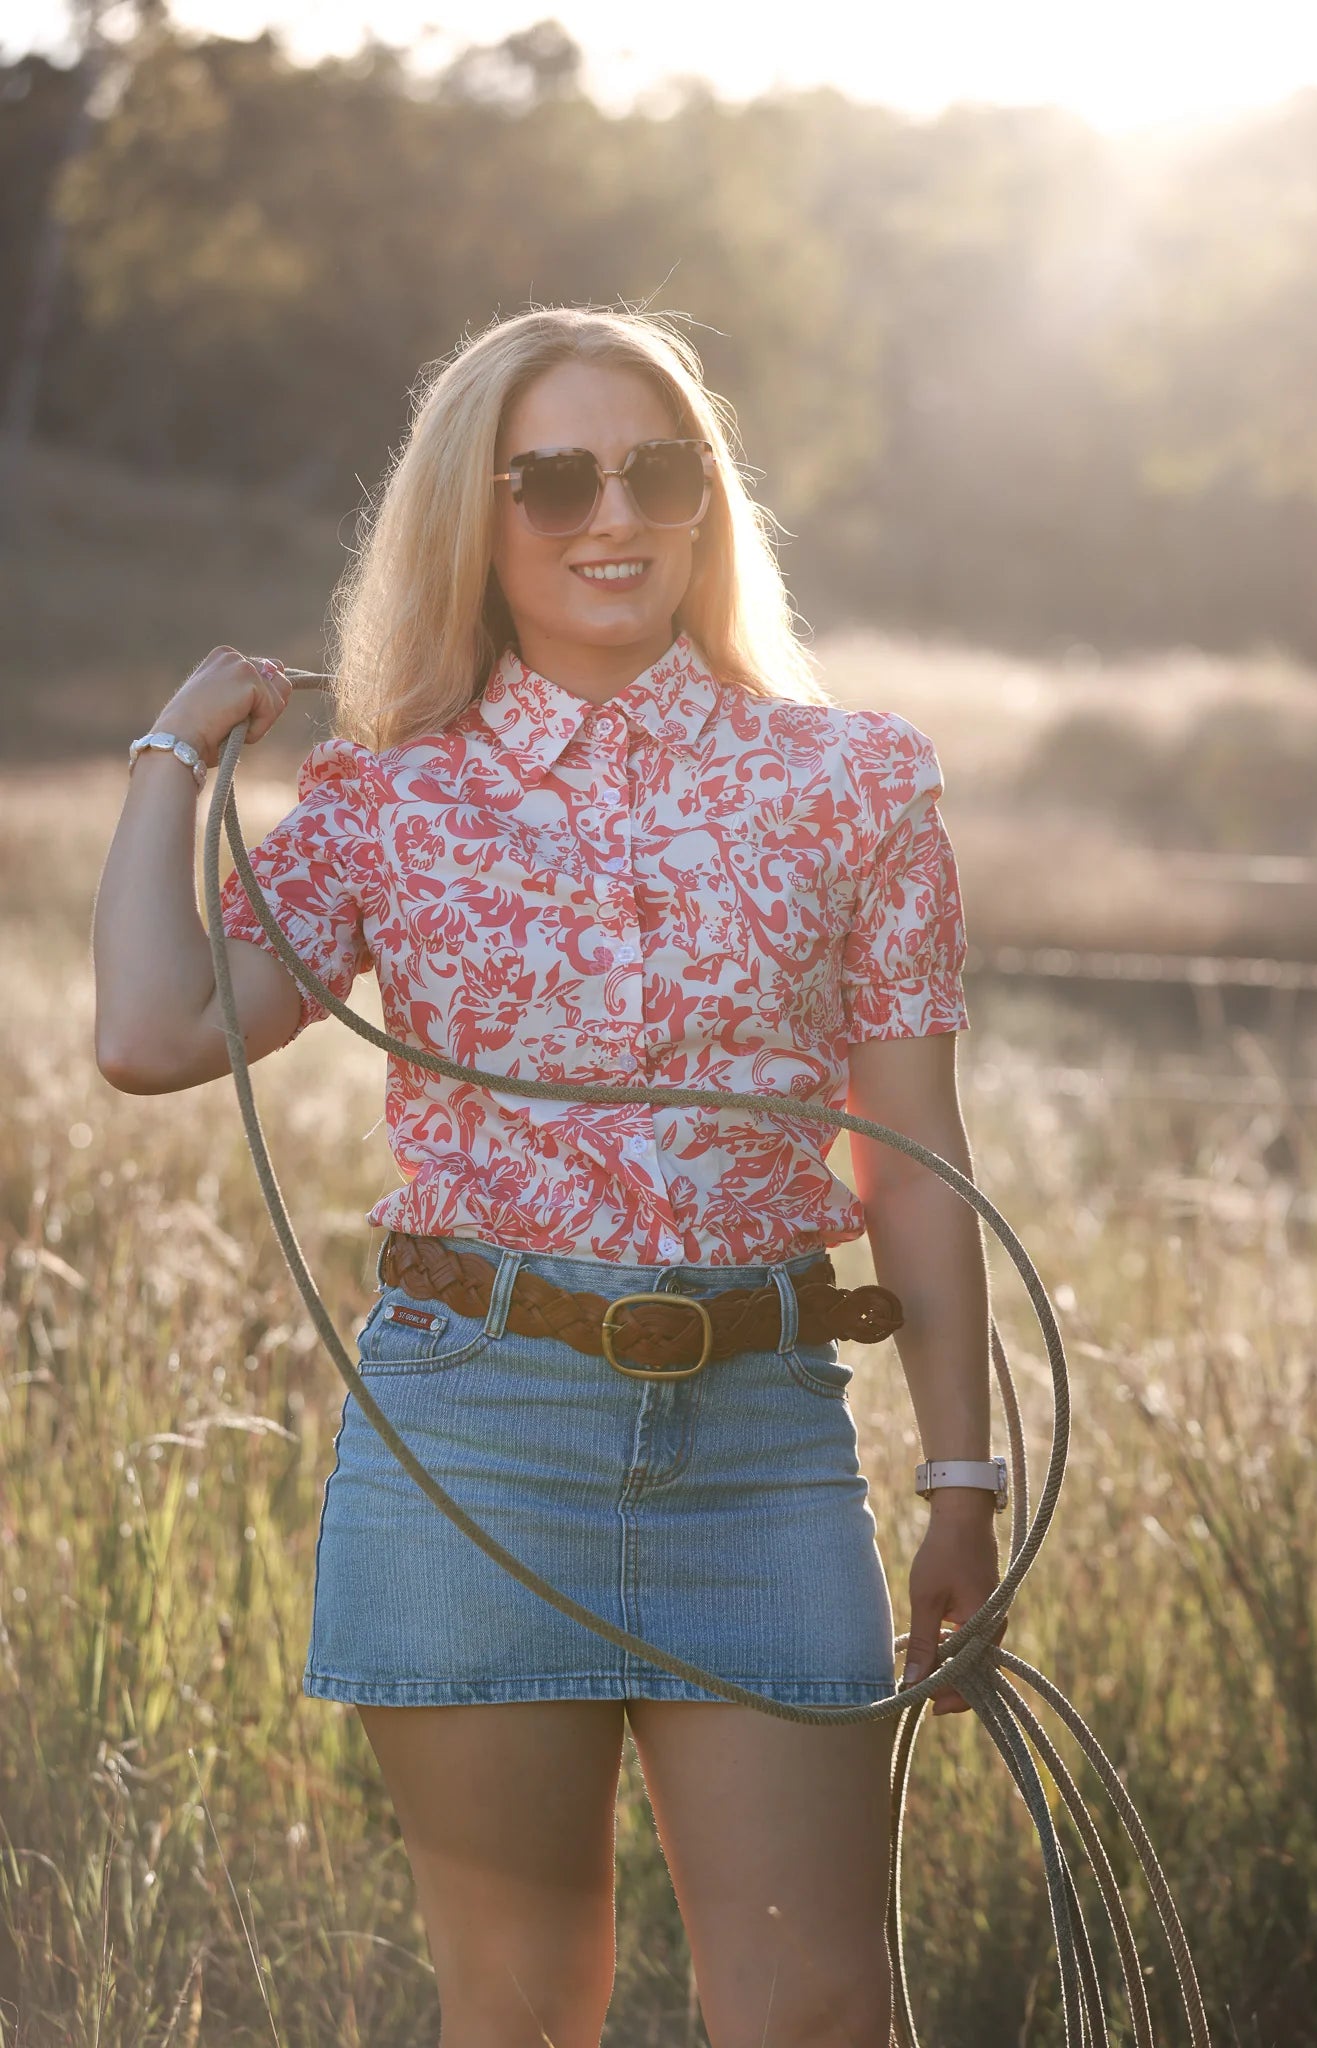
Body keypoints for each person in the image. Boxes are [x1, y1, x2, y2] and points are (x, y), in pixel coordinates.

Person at [93, 304, 1005, 2048]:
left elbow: (917, 1162)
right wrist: (167, 763)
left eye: (655, 469)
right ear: (473, 514)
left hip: (762, 1445)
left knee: (817, 2009)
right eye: (556, 477)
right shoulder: (387, 797)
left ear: (705, 501)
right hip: (477, 1434)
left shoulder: (851, 781)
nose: (613, 514)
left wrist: (957, 1468)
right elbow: (151, 1033)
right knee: (515, 2013)